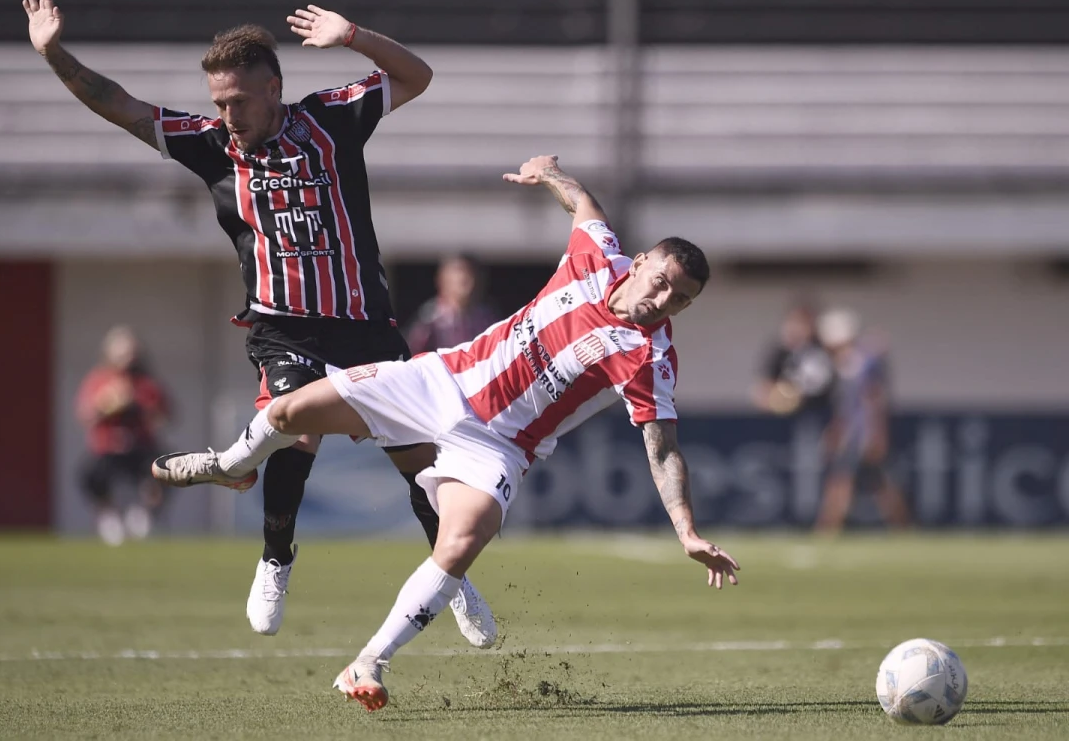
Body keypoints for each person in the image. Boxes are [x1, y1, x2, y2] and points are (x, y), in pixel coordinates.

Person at [153, 155, 740, 712]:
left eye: (679, 300)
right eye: (660, 281)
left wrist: (687, 531)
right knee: (287, 414)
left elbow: (662, 450)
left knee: (464, 537)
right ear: (638, 263)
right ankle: (231, 466)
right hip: (443, 381)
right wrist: (549, 173)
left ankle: (367, 663)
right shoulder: (598, 253)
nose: (661, 301)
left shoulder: (648, 358)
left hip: (500, 445)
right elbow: (582, 201)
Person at [23, 0, 495, 646]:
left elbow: (417, 75)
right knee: (296, 432)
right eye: (219, 101)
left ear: (273, 87)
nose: (228, 113)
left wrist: (353, 34)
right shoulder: (213, 145)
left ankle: (451, 577)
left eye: (239, 100)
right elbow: (120, 105)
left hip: (364, 323)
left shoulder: (332, 118)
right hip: (282, 325)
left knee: (420, 464)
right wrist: (55, 55)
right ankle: (276, 557)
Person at [814, 308, 911, 533]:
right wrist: (836, 430)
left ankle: (826, 531)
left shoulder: (863, 363)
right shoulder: (847, 364)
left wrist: (876, 433)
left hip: (861, 434)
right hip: (854, 432)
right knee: (879, 483)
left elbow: (874, 400)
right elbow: (845, 406)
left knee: (842, 480)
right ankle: (905, 529)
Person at [75, 325, 171, 546]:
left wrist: (139, 405)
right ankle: (109, 517)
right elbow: (85, 414)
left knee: (167, 471)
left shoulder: (146, 383)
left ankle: (143, 515)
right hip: (107, 449)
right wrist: (105, 405)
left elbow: (164, 416)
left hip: (141, 447)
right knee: (90, 475)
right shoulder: (98, 380)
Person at [752, 300, 834, 420]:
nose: (799, 327)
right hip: (786, 419)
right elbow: (763, 388)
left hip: (821, 415)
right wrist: (775, 399)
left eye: (804, 322)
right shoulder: (780, 352)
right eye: (795, 321)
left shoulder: (825, 349)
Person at [405, 254, 500, 353]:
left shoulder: (486, 317)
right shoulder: (430, 319)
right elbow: (412, 354)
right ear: (442, 279)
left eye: (470, 273)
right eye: (459, 272)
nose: (465, 277)